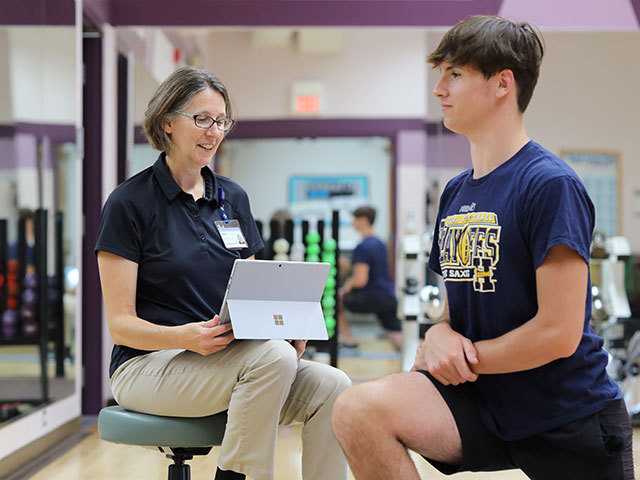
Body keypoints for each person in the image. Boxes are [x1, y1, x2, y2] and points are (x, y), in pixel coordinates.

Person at [331, 15, 633, 480]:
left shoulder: (550, 184)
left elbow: (559, 332)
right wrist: (439, 335)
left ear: (502, 84)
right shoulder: (456, 192)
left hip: (564, 412)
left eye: (454, 74)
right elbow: (454, 310)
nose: (439, 89)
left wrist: (459, 360)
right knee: (357, 410)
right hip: (482, 401)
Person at [95, 66, 350, 480]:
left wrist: (281, 325)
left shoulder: (232, 197)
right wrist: (186, 338)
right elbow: (122, 327)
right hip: (147, 366)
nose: (214, 131)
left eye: (221, 121)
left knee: (332, 385)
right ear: (167, 123)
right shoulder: (129, 203)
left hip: (234, 363)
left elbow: (250, 296)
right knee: (272, 358)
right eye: (201, 119)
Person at [338, 206, 402, 350]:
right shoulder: (379, 243)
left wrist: (345, 288)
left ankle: (348, 339)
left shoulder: (362, 247)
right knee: (396, 333)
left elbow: (360, 280)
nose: (353, 223)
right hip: (388, 296)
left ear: (363, 220)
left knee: (335, 299)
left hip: (371, 297)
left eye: (355, 219)